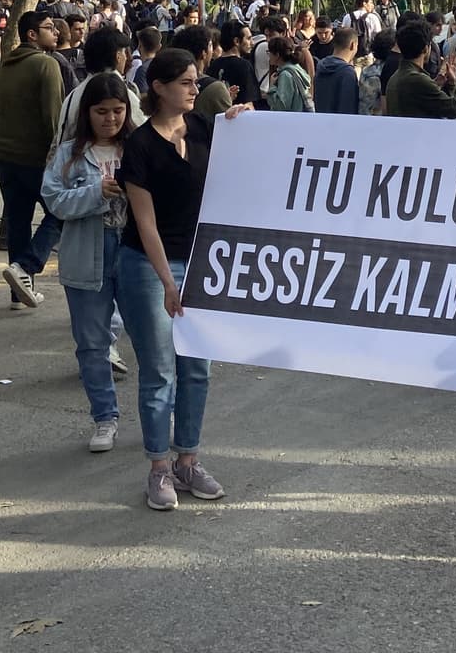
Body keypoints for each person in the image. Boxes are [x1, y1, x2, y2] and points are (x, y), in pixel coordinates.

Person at [116, 50, 244, 510]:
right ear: (159, 87)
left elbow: (246, 153)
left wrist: (241, 118)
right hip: (150, 266)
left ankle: (188, 460)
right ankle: (158, 468)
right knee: (159, 371)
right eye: (187, 82)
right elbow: (144, 224)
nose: (196, 88)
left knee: (197, 369)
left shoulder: (205, 129)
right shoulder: (141, 145)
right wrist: (168, 282)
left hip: (201, 262)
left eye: (196, 81)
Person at [42, 72, 135, 453]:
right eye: (101, 111)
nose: (110, 119)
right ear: (87, 113)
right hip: (86, 256)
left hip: (134, 254)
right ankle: (104, 417)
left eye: (117, 111)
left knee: (151, 342)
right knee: (91, 343)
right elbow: (54, 201)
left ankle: (161, 413)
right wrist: (94, 192)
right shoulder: (68, 154)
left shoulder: (139, 147)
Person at [0, 12, 66, 309]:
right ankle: (27, 266)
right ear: (32, 34)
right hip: (36, 158)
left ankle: (19, 291)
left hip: (4, 156)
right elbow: (54, 118)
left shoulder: (4, 66)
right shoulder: (46, 64)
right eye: (49, 28)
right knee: (62, 213)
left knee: (19, 221)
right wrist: (60, 158)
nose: (56, 33)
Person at [382, 22, 456, 119]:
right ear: (426, 48)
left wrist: (448, 84)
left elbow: (442, 107)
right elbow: (455, 109)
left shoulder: (395, 78)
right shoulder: (416, 79)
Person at [312, 27, 360, 116]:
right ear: (352, 45)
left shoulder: (321, 66)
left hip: (322, 122)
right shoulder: (347, 73)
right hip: (340, 126)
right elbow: (348, 108)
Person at [265, 33, 313, 111]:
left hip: (288, 120)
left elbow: (281, 106)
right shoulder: (296, 68)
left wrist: (272, 87)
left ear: (277, 55)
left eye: (269, 52)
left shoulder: (285, 75)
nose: (268, 55)